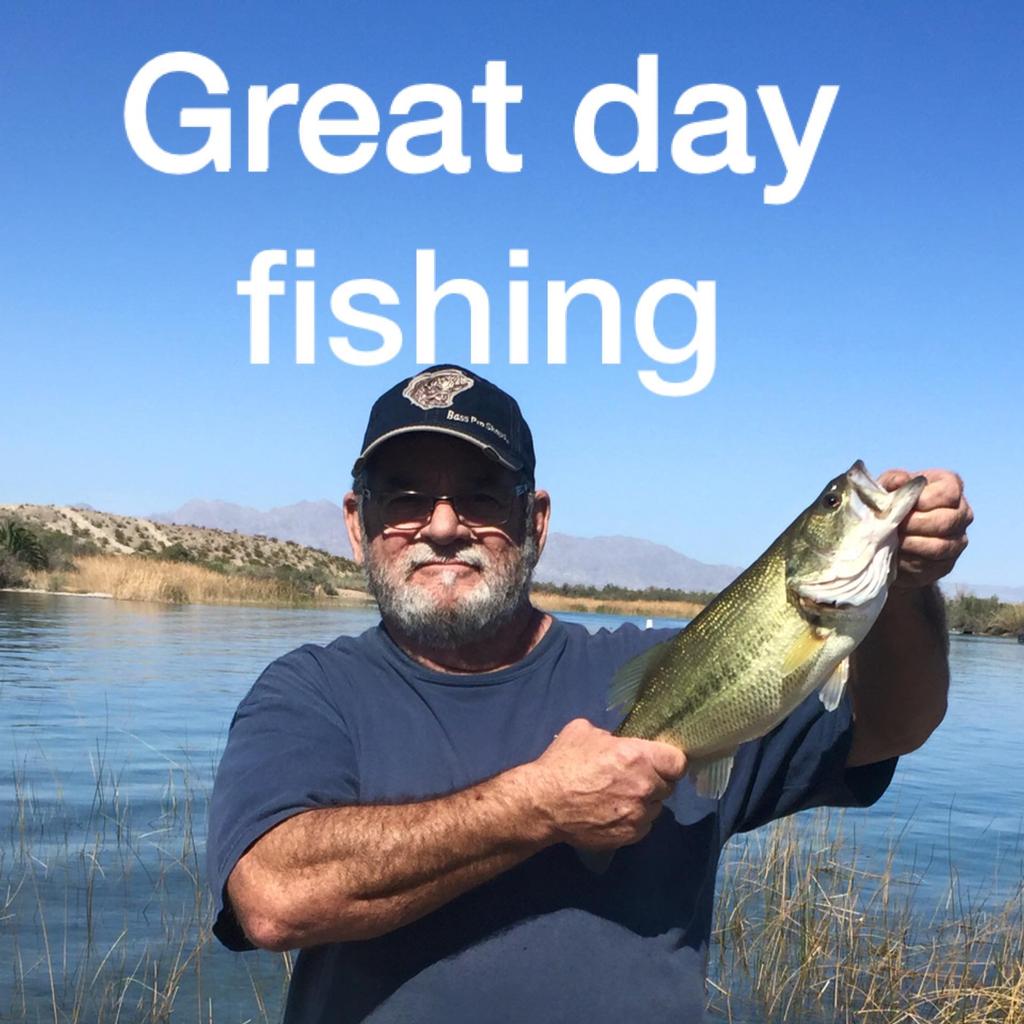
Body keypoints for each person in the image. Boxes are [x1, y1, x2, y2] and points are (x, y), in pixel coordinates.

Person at [206, 364, 972, 1024]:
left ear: (535, 522)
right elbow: (272, 897)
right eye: (401, 497)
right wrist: (536, 805)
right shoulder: (309, 692)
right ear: (356, 524)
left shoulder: (671, 663)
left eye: (482, 495)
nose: (441, 526)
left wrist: (905, 588)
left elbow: (892, 725)